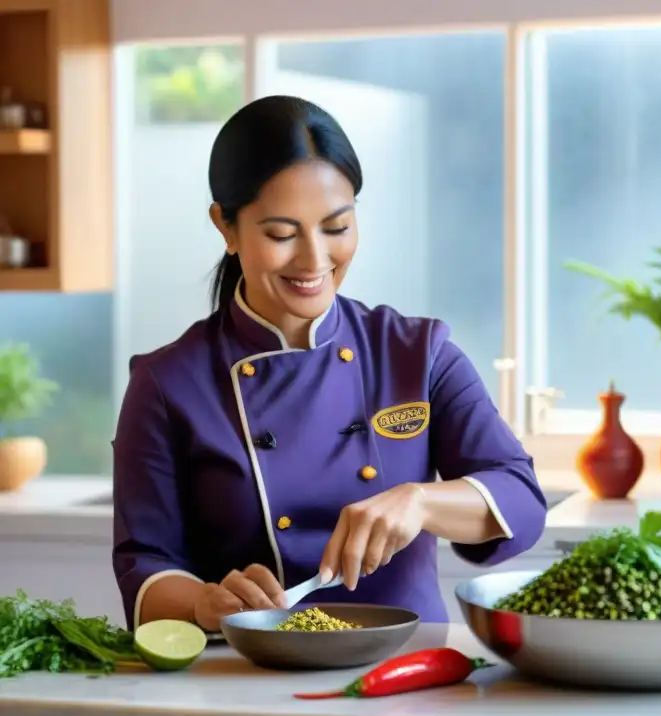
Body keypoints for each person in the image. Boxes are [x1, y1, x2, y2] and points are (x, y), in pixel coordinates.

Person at [112, 95, 547, 632]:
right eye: (282, 234)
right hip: (248, 681)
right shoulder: (167, 383)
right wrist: (205, 604)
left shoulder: (418, 354)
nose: (315, 260)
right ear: (226, 227)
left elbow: (522, 500)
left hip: (411, 678)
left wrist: (421, 503)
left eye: (337, 227)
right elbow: (144, 566)